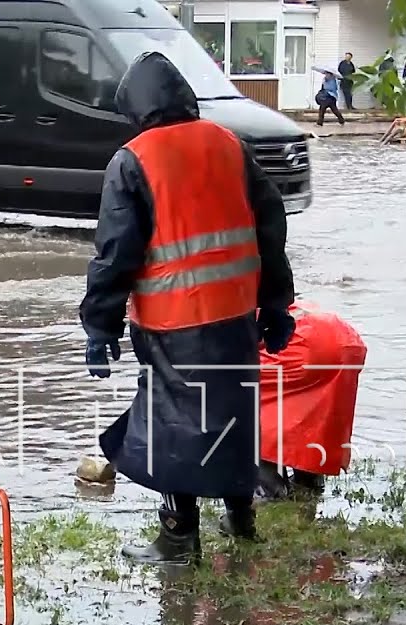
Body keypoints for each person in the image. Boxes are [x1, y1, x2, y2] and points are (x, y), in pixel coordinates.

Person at [80, 51, 296, 565]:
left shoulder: (132, 160)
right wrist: (276, 305)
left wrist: (99, 325)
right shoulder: (231, 146)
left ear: (135, 108)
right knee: (233, 414)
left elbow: (116, 253)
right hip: (237, 313)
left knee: (171, 425)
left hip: (171, 319)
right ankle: (241, 521)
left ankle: (178, 538)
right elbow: (271, 229)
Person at [254, 302, 367, 500]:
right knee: (313, 416)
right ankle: (309, 484)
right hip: (345, 340)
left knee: (241, 405)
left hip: (306, 344)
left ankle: (270, 490)